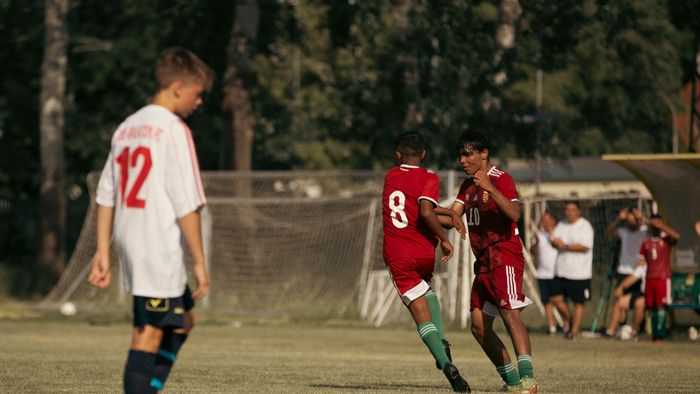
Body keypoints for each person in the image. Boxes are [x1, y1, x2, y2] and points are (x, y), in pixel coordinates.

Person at [88, 47, 213, 393]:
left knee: (184, 321)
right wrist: (200, 262)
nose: (198, 102)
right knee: (147, 334)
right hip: (155, 246)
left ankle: (150, 388)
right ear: (177, 88)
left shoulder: (126, 128)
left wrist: (103, 250)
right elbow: (187, 202)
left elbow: (105, 194)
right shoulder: (173, 129)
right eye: (197, 93)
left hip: (133, 241)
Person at [440, 129, 537, 394]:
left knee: (510, 314)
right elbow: (452, 218)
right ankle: (513, 382)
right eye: (460, 154)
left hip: (503, 254)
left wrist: (491, 189)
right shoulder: (467, 185)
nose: (462, 160)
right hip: (482, 261)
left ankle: (527, 379)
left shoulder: (500, 179)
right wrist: (425, 215)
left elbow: (515, 214)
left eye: (468, 154)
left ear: (484, 154)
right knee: (478, 326)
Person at [382, 131, 470, 393]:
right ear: (424, 154)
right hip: (422, 253)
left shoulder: (390, 176)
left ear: (398, 155)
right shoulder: (429, 177)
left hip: (398, 254)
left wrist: (445, 237)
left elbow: (422, 211)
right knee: (428, 293)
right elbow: (425, 211)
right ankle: (442, 342)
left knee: (421, 316)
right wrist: (446, 225)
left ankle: (446, 365)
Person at [549, 201, 594, 340]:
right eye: (567, 210)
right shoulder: (561, 224)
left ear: (578, 211)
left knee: (578, 302)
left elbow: (585, 247)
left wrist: (566, 246)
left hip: (580, 273)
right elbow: (554, 241)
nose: (569, 212)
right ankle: (571, 319)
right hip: (561, 270)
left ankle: (573, 332)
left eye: (572, 210)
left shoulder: (585, 226)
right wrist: (555, 243)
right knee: (555, 299)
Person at [603, 207, 648, 337]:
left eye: (633, 220)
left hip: (638, 272)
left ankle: (637, 328)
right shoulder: (624, 232)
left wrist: (642, 217)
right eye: (628, 221)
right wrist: (618, 219)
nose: (630, 223)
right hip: (623, 271)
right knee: (619, 300)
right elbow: (609, 231)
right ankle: (620, 328)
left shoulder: (645, 232)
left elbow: (657, 227)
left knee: (637, 302)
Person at [637, 214, 680, 342]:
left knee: (661, 306)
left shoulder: (666, 239)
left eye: (658, 223)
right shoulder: (646, 242)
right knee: (651, 307)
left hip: (662, 277)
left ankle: (660, 336)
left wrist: (660, 225)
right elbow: (641, 260)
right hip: (650, 278)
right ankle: (653, 334)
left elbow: (677, 236)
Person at [531, 211, 559, 335]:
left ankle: (568, 323)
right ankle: (551, 327)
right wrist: (536, 243)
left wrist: (551, 234)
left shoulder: (559, 233)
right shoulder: (539, 235)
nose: (545, 223)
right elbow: (533, 251)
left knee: (558, 301)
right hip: (542, 273)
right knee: (546, 301)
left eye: (548, 220)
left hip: (556, 272)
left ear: (553, 221)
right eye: (543, 220)